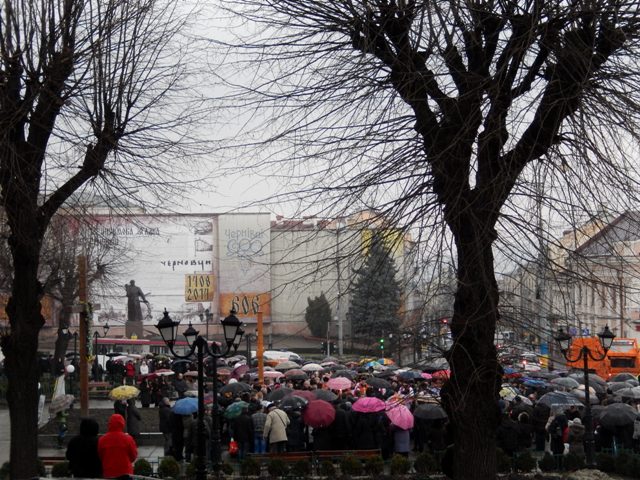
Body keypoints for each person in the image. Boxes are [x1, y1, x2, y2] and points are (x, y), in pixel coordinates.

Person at [98, 413, 137, 479]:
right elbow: (133, 456)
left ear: (109, 424)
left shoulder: (102, 439)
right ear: (122, 424)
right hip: (125, 472)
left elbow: (101, 456)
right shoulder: (128, 439)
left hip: (108, 473)